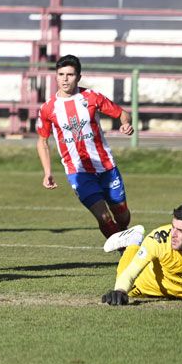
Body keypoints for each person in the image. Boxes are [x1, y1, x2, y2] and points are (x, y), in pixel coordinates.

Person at [35, 55, 135, 240]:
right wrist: (47, 171)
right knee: (104, 217)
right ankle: (125, 251)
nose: (65, 79)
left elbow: (122, 113)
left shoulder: (91, 97)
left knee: (122, 215)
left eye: (70, 74)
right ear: (56, 76)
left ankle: (123, 236)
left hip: (106, 166)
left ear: (78, 77)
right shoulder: (48, 108)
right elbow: (42, 141)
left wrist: (125, 124)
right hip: (78, 172)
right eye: (61, 74)